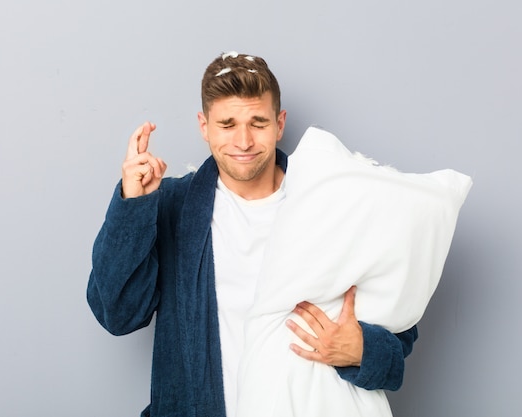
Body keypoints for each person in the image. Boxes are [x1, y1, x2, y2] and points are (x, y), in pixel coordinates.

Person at [87, 51, 418, 417]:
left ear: (280, 124)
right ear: (204, 126)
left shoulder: (334, 206)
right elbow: (117, 314)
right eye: (227, 124)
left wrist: (361, 351)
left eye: (257, 123)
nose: (243, 141)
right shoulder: (170, 206)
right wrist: (133, 206)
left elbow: (399, 332)